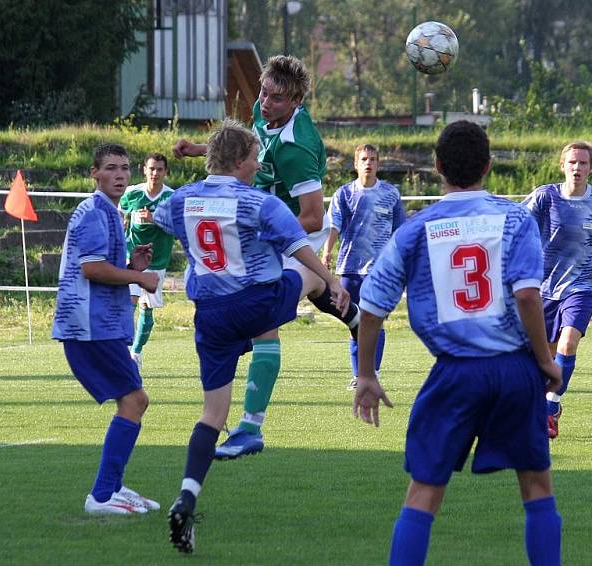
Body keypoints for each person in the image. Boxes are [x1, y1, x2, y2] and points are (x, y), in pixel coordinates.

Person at [352, 121, 563, 565]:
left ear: (436, 166)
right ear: (488, 166)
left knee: (424, 492)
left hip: (454, 372)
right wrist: (545, 360)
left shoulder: (417, 228)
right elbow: (527, 294)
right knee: (537, 486)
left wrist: (367, 373)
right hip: (514, 368)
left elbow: (371, 307)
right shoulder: (515, 218)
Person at [154, 120, 350, 553]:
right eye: (255, 157)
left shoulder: (180, 200)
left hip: (211, 316)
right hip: (257, 301)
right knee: (305, 276)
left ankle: (187, 495)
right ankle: (353, 321)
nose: (259, 164)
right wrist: (333, 280)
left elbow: (160, 218)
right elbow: (301, 246)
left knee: (212, 414)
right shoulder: (259, 203)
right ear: (242, 161)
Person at [173, 55, 360, 459]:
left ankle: (250, 428)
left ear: (294, 100)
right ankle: (354, 316)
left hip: (293, 230)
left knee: (266, 322)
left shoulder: (297, 147)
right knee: (270, 308)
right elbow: (245, 147)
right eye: (262, 92)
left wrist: (261, 228)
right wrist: (199, 151)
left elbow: (311, 215)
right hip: (264, 227)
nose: (263, 101)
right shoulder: (265, 115)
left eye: (274, 97)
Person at [52, 143, 161, 515]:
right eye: (111, 168)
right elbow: (92, 269)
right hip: (88, 326)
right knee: (135, 400)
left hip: (102, 324)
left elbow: (101, 267)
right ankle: (101, 495)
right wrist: (139, 276)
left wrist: (132, 263)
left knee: (134, 401)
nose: (119, 174)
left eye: (125, 168)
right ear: (94, 173)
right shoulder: (93, 212)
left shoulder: (111, 212)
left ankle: (112, 488)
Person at [523, 141, 592, 439]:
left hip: (583, 285)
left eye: (582, 163)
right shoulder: (545, 197)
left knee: (568, 344)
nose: (577, 168)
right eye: (572, 163)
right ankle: (540, 403)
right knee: (547, 355)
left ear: (591, 167)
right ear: (562, 165)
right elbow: (519, 224)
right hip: (544, 286)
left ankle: (550, 407)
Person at [322, 144, 406, 390]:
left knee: (373, 321)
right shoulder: (344, 194)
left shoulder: (391, 194)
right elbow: (333, 225)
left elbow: (400, 231)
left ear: (378, 164)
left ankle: (371, 373)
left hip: (380, 271)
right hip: (349, 269)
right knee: (353, 323)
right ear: (356, 164)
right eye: (364, 159)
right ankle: (358, 374)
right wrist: (327, 251)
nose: (368, 163)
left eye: (373, 159)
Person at [118, 153, 174, 370]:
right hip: (131, 259)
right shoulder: (132, 193)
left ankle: (137, 352)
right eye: (151, 169)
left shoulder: (172, 198)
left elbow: (178, 229)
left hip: (157, 260)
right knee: (129, 301)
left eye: (159, 169)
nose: (155, 173)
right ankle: (123, 351)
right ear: (144, 170)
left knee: (146, 307)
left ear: (165, 172)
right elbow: (119, 216)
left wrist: (155, 220)